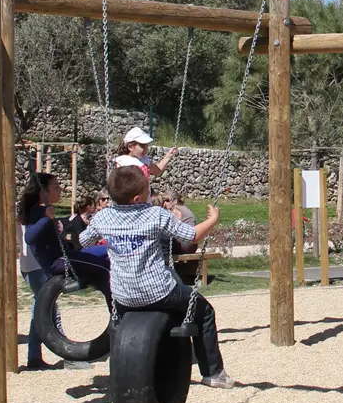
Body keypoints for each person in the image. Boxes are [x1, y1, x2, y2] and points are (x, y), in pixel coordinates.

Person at [81, 164, 235, 388]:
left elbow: (83, 241)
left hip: (123, 296)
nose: (150, 193)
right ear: (136, 198)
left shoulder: (103, 218)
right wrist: (212, 220)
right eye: (147, 190)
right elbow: (190, 236)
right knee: (204, 312)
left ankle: (119, 373)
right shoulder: (155, 215)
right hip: (159, 292)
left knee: (117, 323)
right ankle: (213, 373)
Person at [21, 173, 88, 371]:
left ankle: (34, 356)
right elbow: (30, 237)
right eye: (56, 186)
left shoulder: (33, 210)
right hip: (36, 267)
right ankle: (69, 356)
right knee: (50, 312)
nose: (60, 189)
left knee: (40, 310)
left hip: (31, 266)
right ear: (43, 192)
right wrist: (47, 218)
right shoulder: (38, 211)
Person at [113, 126, 178, 179]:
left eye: (147, 146)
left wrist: (169, 156)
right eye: (142, 146)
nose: (146, 149)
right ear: (131, 147)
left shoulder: (144, 160)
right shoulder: (121, 161)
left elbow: (158, 171)